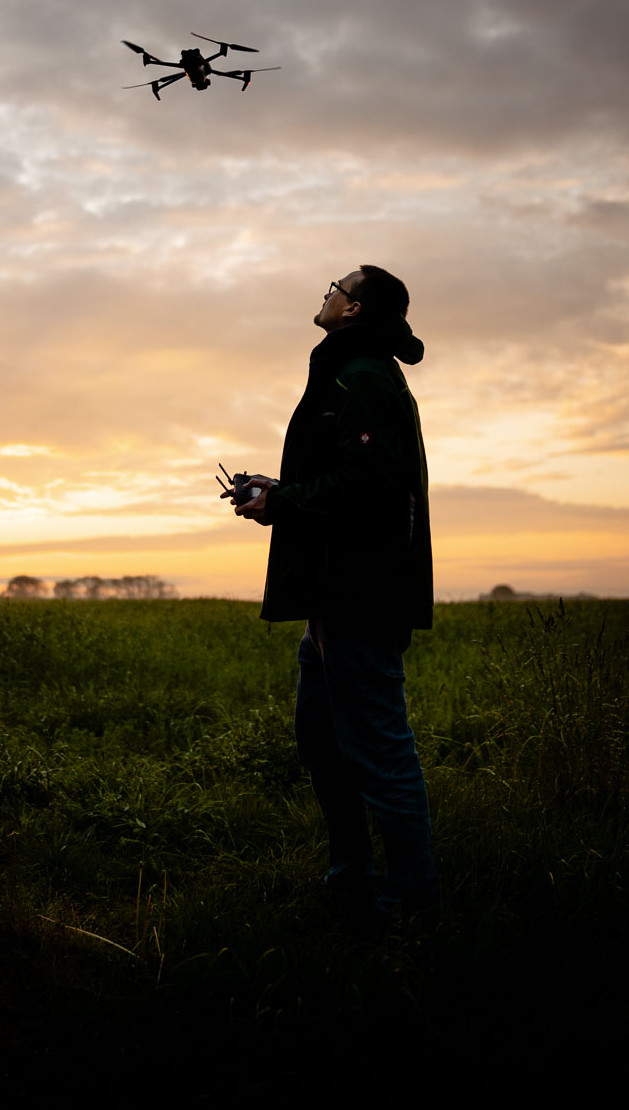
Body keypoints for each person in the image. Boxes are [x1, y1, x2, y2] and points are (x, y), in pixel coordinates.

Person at [230, 266, 437, 926]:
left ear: (353, 310)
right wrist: (277, 487)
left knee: (380, 751)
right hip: (333, 597)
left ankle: (409, 907)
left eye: (335, 286)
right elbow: (341, 474)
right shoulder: (346, 371)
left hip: (361, 596)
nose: (325, 293)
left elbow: (368, 489)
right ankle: (352, 880)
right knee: (322, 741)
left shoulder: (367, 377)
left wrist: (282, 501)